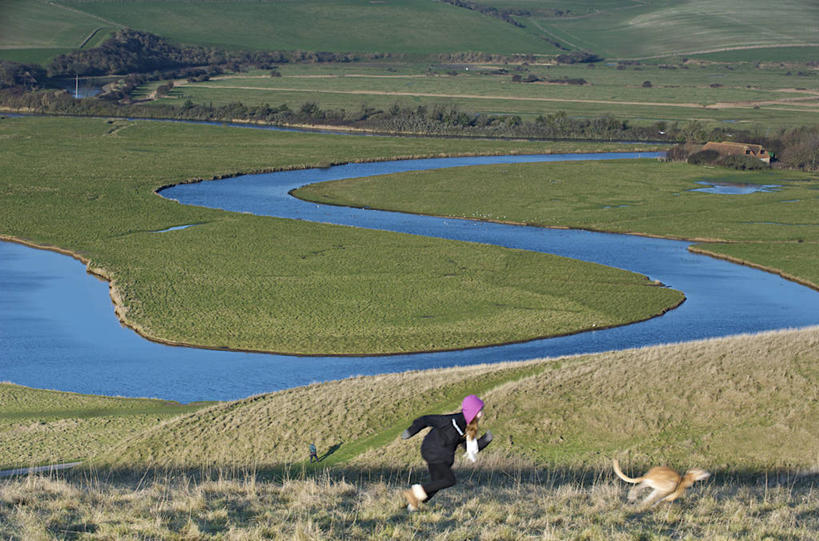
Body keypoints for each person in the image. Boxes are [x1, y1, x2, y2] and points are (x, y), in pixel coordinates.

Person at [401, 394, 493, 511]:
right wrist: (410, 431)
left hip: (441, 455)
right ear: (473, 411)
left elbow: (468, 447)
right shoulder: (451, 421)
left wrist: (485, 440)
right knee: (449, 480)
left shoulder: (468, 427)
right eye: (480, 410)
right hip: (433, 451)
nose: (482, 413)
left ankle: (411, 506)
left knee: (436, 484)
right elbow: (426, 420)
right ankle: (414, 493)